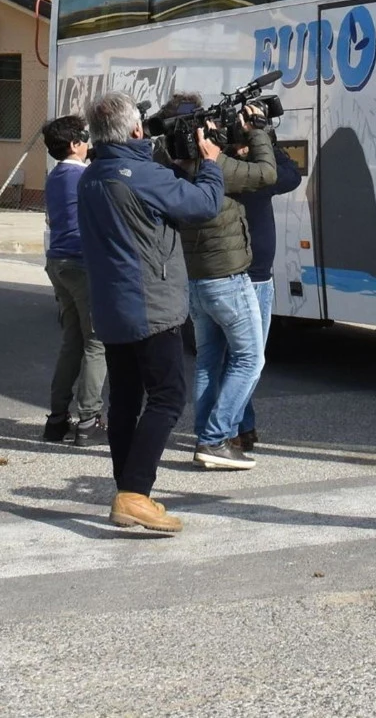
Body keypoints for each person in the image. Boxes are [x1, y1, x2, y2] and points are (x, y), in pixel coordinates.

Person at [76, 91, 224, 536]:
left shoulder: (93, 174)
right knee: (167, 398)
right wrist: (211, 162)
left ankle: (128, 491)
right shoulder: (138, 174)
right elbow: (204, 205)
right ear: (136, 130)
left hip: (112, 304)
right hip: (151, 303)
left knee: (124, 400)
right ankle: (136, 493)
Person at [178, 106, 278, 470]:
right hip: (228, 280)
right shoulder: (217, 168)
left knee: (208, 361)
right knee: (251, 359)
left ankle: (206, 435)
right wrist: (257, 131)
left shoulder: (174, 169)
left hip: (197, 280)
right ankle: (215, 438)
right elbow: (269, 173)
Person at [231, 142, 302, 451]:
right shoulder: (254, 175)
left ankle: (241, 425)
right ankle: (228, 427)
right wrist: (268, 141)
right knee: (247, 360)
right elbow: (291, 175)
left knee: (235, 359)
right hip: (254, 277)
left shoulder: (221, 170)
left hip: (240, 275)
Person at [40, 114, 104, 444]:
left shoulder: (55, 176)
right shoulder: (84, 177)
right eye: (86, 138)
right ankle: (89, 419)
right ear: (77, 144)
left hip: (58, 261)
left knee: (72, 341)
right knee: (97, 342)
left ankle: (57, 418)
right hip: (82, 262)